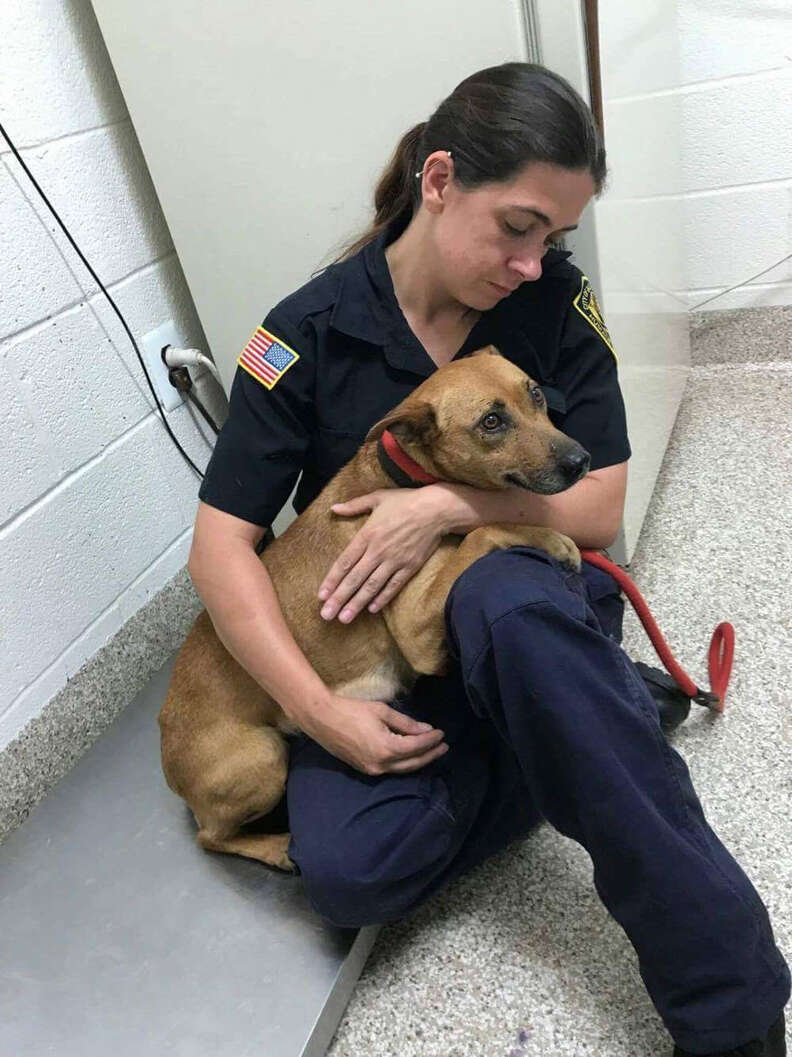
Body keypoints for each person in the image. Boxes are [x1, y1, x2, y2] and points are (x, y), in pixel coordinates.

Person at [189, 62, 789, 1057]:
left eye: (552, 236)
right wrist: (319, 712)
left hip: (522, 599)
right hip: (381, 647)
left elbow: (597, 506)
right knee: (348, 874)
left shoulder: (552, 301)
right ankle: (593, 721)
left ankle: (730, 1002)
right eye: (517, 226)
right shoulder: (303, 334)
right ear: (438, 181)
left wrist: (443, 506)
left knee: (506, 605)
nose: (531, 260)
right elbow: (221, 548)